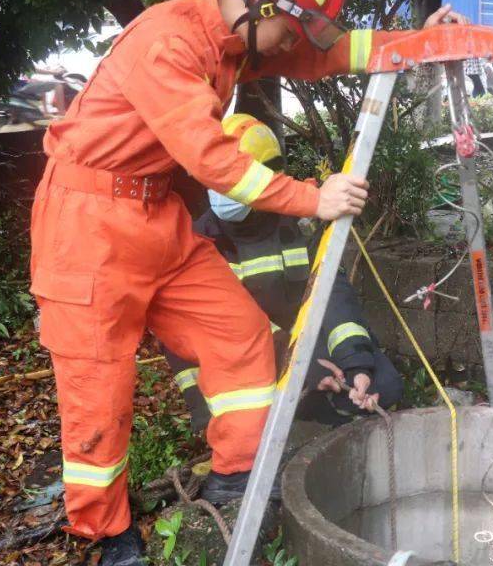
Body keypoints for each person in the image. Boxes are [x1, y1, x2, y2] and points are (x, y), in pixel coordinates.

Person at [29, 0, 458, 565]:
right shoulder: (165, 42)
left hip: (155, 214)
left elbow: (328, 53)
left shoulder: (231, 40)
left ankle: (235, 475)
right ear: (261, 1)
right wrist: (313, 197)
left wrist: (418, 43)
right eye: (290, 25)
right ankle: (105, 532)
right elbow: (213, 161)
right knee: (99, 386)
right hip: (85, 226)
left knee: (240, 334)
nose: (290, 42)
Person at [163, 113, 402, 439]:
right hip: (242, 362)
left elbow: (332, 295)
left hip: (300, 346)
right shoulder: (197, 241)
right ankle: (309, 416)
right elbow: (214, 334)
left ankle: (330, 407)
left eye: (233, 177)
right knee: (264, 414)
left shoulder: (295, 227)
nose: (221, 191)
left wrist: (355, 365)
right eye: (215, 179)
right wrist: (204, 412)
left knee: (383, 384)